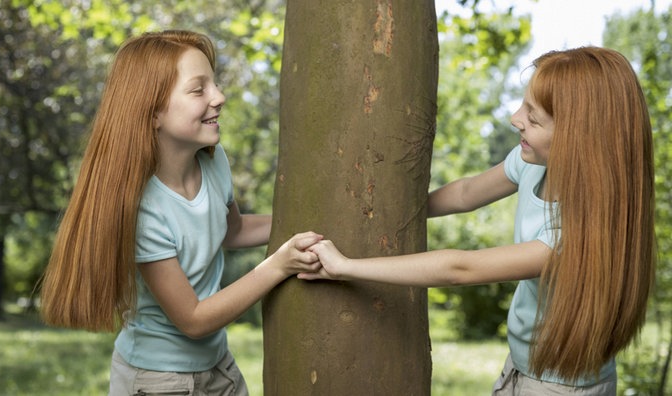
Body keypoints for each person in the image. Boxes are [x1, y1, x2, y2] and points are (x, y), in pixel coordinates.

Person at [300, 47, 655, 395]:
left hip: (559, 386)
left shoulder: (573, 235)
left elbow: (460, 268)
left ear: (579, 140)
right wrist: (394, 209)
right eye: (523, 106)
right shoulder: (533, 164)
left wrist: (345, 267)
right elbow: (466, 193)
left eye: (533, 118)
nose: (516, 118)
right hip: (522, 364)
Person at [38, 30, 322, 395]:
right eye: (198, 89)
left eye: (214, 84)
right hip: (159, 379)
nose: (219, 97)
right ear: (153, 111)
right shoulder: (143, 210)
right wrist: (279, 266)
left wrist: (310, 227)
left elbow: (232, 231)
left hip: (218, 364)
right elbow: (193, 319)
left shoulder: (213, 160)